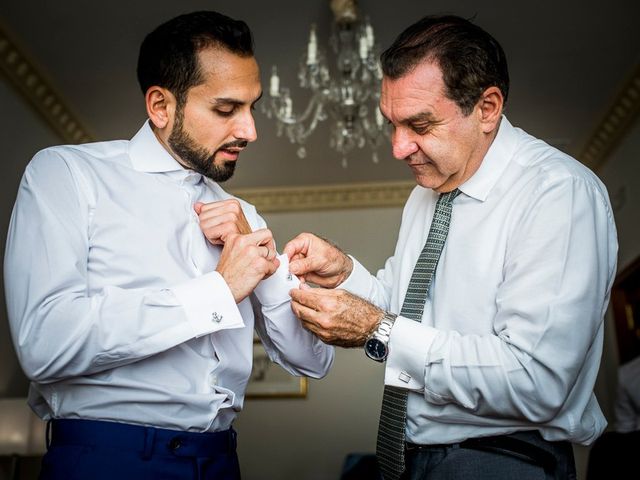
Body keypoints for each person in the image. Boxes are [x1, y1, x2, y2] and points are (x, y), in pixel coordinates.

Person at [285, 14, 618, 480]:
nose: (399, 148)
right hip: (410, 456)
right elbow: (405, 312)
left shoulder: (558, 193)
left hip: (501, 462)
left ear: (487, 107)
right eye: (391, 124)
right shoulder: (425, 194)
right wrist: (344, 273)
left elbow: (535, 379)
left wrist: (377, 329)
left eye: (419, 125)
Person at [4, 11, 333, 480]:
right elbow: (44, 342)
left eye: (251, 108)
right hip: (106, 459)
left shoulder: (244, 217)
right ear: (160, 106)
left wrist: (268, 269)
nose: (249, 131)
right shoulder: (67, 174)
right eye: (226, 109)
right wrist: (219, 291)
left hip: (221, 460)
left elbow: (314, 361)